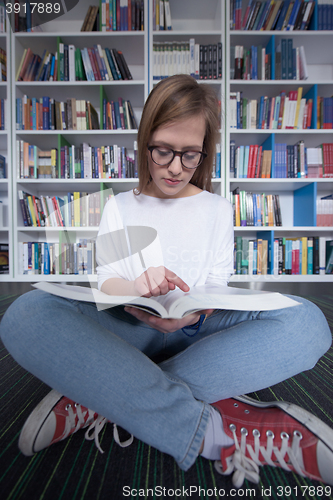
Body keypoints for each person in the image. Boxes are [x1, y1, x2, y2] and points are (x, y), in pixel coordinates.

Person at [1, 74, 332, 488]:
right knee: (26, 314)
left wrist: (194, 312)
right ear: (146, 143)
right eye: (163, 151)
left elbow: (216, 285)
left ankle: (102, 392)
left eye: (190, 155)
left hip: (197, 332)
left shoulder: (215, 208)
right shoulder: (120, 205)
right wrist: (138, 287)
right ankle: (204, 425)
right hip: (128, 328)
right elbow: (106, 283)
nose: (176, 167)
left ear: (203, 154)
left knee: (306, 321)